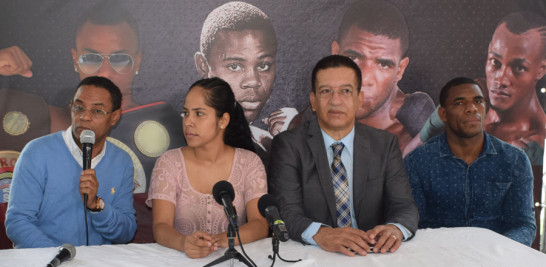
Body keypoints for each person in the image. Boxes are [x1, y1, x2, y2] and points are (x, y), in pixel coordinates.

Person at [268, 55, 418, 256]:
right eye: (326, 91)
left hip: (370, 253)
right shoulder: (289, 145)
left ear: (359, 100)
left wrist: (395, 228)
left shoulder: (384, 144)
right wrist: (321, 234)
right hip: (315, 254)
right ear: (313, 101)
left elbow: (404, 205)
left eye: (346, 91)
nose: (335, 101)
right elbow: (286, 211)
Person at [5, 76, 137, 248]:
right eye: (79, 107)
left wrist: (97, 205)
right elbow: (18, 223)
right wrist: (60, 257)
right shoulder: (37, 152)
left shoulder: (121, 161)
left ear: (114, 117)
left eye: (97, 111)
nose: (84, 117)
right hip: (48, 260)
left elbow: (126, 233)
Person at [405, 77, 536, 246]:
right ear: (443, 114)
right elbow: (413, 224)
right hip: (437, 255)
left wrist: (498, 252)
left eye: (478, 101)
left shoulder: (514, 160)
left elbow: (523, 224)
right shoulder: (418, 161)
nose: (472, 108)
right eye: (459, 103)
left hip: (497, 257)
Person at [146, 77, 268, 259]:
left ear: (223, 120)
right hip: (179, 260)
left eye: (199, 114)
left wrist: (220, 240)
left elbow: (259, 224)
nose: (188, 122)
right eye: (186, 113)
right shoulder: (169, 162)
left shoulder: (249, 162)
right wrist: (184, 243)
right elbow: (160, 227)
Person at [72, 0, 186, 191]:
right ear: (75, 60)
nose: (105, 72)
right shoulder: (53, 123)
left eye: (119, 59)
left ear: (138, 61)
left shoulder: (169, 125)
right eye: (91, 58)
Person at [419, 11, 546, 165]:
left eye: (519, 67)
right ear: (488, 52)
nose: (501, 79)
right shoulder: (476, 96)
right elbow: (408, 162)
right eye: (495, 62)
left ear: (541, 69)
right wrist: (433, 125)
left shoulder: (536, 142)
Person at [195, 1, 298, 166]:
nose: (253, 81)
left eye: (263, 65)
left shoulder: (266, 142)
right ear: (203, 66)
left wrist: (298, 143)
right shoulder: (179, 139)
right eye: (234, 66)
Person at [333, 0, 434, 154]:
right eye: (353, 58)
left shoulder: (410, 136)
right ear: (335, 54)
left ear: (400, 70)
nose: (364, 79)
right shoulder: (307, 121)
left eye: (383, 65)